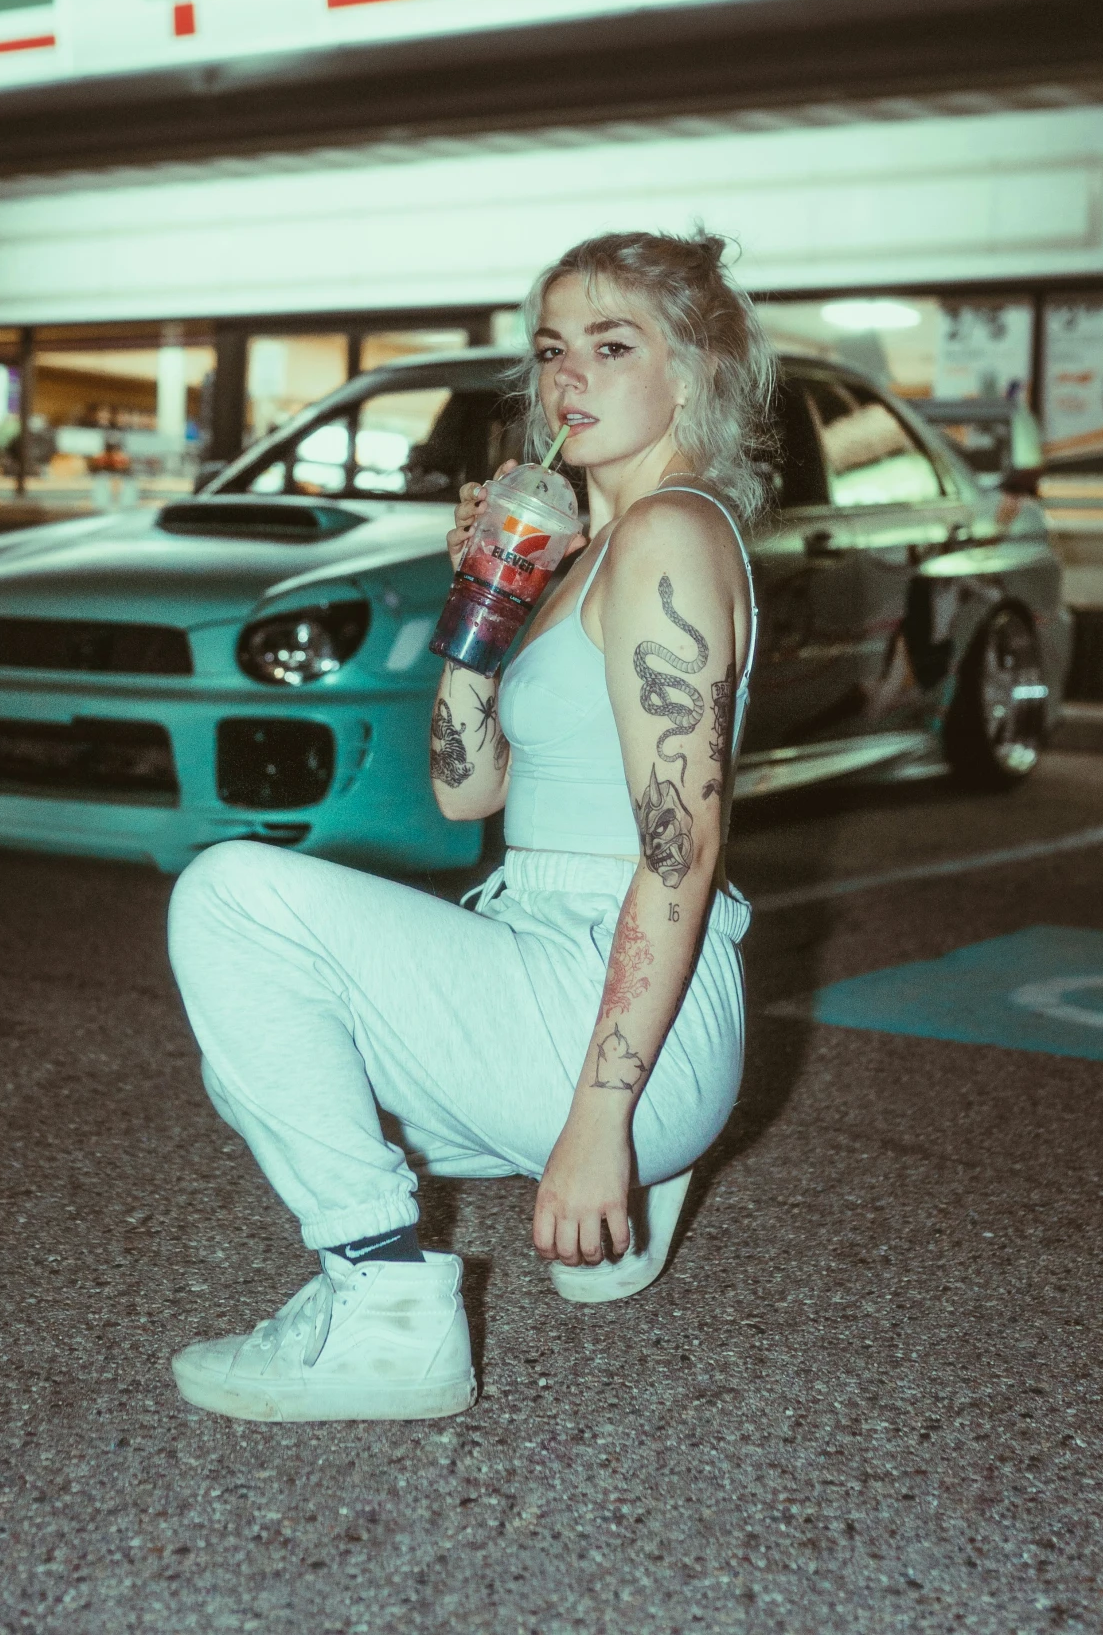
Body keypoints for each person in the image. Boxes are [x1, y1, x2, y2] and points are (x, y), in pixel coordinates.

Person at [165, 229, 776, 1421]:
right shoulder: (583, 553)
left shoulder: (670, 535)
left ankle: (385, 1300)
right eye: (553, 350)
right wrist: (482, 604)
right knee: (260, 1052)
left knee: (229, 899)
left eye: (613, 345)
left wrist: (600, 1124)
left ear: (696, 369)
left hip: (612, 993)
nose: (569, 381)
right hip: (546, 954)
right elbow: (468, 790)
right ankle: (609, 1183)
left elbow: (676, 848)